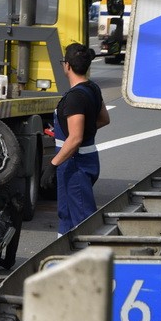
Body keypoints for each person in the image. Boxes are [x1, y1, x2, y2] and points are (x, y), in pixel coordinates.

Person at [40, 43, 110, 236]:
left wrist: (52, 165)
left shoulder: (75, 98)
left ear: (67, 66)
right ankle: (64, 259)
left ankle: (85, 262)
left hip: (74, 164)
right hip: (84, 160)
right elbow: (104, 119)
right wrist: (81, 129)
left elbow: (75, 138)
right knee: (67, 215)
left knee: (81, 220)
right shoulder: (92, 88)